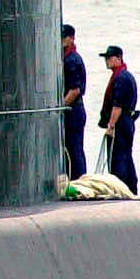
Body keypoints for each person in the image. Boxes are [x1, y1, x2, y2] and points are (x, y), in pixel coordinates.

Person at [97, 44, 139, 191]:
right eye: (106, 58)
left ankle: (120, 188)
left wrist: (111, 126)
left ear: (119, 58)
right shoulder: (125, 75)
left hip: (120, 122)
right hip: (127, 121)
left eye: (109, 58)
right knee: (126, 156)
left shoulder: (121, 78)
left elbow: (117, 106)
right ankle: (131, 188)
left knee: (117, 158)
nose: (107, 61)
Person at [60, 24, 87, 178]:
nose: (61, 40)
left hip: (73, 111)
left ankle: (78, 182)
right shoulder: (69, 57)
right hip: (74, 110)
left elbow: (74, 90)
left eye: (63, 37)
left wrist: (60, 108)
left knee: (74, 150)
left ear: (71, 38)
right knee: (73, 150)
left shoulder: (71, 60)